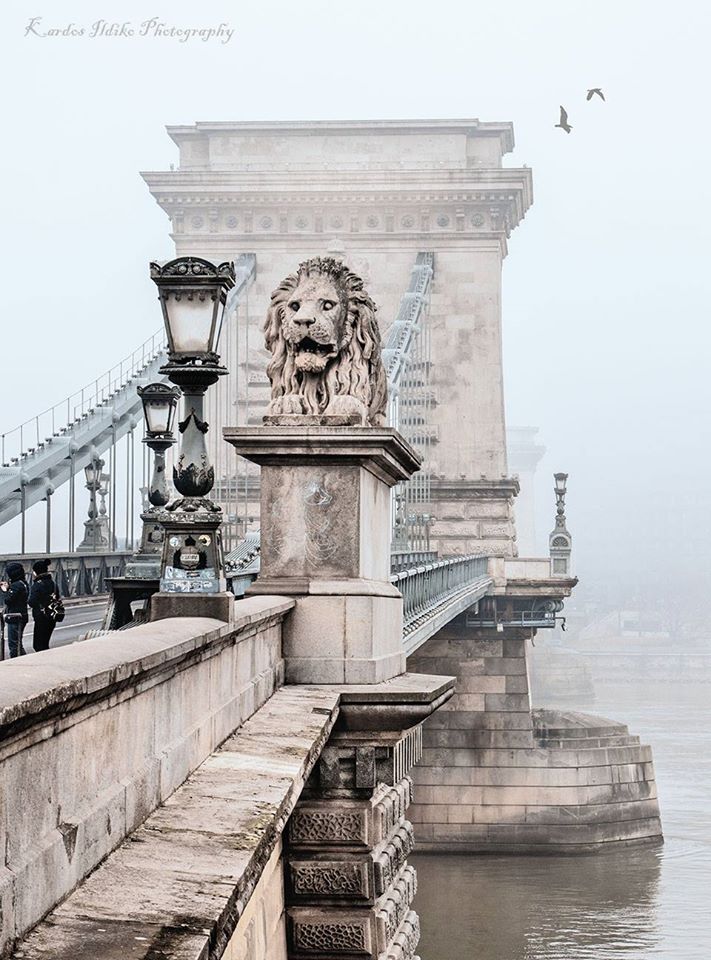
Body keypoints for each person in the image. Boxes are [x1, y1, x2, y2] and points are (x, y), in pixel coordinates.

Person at [29, 559, 58, 652]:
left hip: (41, 617)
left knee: (38, 645)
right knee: (45, 644)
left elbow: (32, 602)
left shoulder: (37, 585)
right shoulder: (53, 584)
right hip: (52, 615)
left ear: (36, 572)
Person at [0, 562, 29, 658]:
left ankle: (18, 662)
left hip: (15, 617)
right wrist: (9, 587)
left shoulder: (16, 585)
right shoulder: (23, 583)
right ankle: (24, 660)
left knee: (14, 645)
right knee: (18, 644)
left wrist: (5, 590)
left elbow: (8, 600)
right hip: (22, 615)